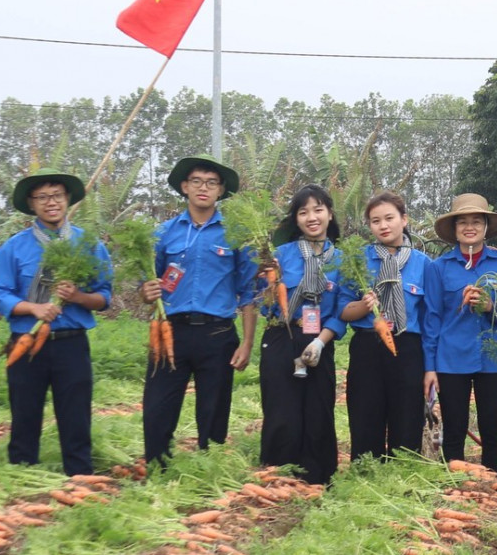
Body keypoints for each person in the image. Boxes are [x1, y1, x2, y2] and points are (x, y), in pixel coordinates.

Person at [0, 171, 113, 476]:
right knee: (25, 413)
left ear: (67, 199)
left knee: (76, 415)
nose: (51, 202)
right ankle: (22, 473)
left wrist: (78, 296)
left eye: (57, 195)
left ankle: (80, 475)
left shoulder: (88, 245)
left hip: (71, 343)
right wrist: (34, 308)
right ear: (32, 203)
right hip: (26, 343)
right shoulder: (15, 247)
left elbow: (105, 296)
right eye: (42, 197)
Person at [137, 157, 258, 466]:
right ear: (184, 187)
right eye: (197, 181)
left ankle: (208, 467)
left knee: (213, 411)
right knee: (157, 409)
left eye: (211, 182)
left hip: (217, 335)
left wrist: (246, 343)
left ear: (221, 191)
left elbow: (248, 292)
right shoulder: (164, 233)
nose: (203, 188)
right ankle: (157, 467)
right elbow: (149, 282)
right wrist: (146, 292)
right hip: (170, 332)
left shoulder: (236, 234)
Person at [421, 193, 497, 474]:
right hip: (451, 359)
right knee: (454, 426)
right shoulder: (438, 268)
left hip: (494, 359)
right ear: (454, 229)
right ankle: (457, 485)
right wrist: (429, 366)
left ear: (487, 227)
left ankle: (494, 485)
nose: (469, 227)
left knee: (491, 427)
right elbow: (432, 319)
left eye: (477, 221)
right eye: (462, 222)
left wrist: (490, 306)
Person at [258, 185, 346, 485]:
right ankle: (279, 474)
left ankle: (318, 477)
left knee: (318, 408)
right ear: (295, 219)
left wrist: (322, 341)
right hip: (281, 336)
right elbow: (263, 306)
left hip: (320, 337)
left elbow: (342, 308)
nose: (312, 217)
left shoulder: (342, 259)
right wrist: (268, 289)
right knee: (281, 408)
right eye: (303, 211)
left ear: (329, 214)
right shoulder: (280, 256)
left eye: (318, 209)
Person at [338, 192, 431, 460]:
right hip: (368, 346)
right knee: (365, 415)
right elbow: (343, 310)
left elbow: (430, 317)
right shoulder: (357, 259)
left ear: (404, 219)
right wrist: (365, 306)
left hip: (409, 347)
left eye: (389, 218)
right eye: (375, 220)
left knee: (408, 417)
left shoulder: (423, 264)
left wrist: (430, 364)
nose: (383, 225)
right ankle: (367, 473)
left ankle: (403, 475)